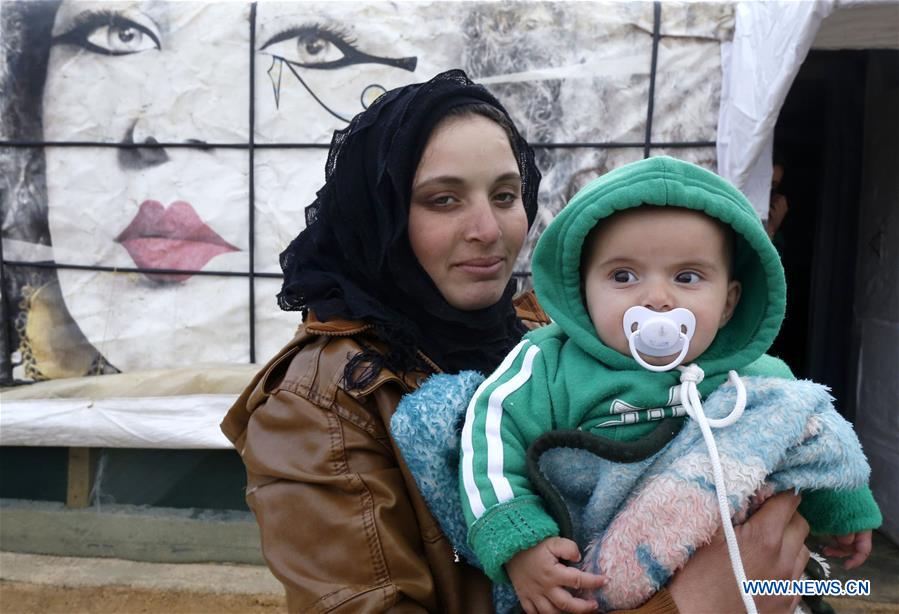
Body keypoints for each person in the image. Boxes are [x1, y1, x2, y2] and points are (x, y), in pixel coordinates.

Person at [222, 72, 815, 613]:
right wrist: (690, 605)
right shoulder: (319, 405)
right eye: (443, 199)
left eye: (505, 196)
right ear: (379, 216)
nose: (488, 231)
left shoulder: (550, 340)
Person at [457, 156, 881, 612]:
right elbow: (491, 436)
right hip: (602, 577)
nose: (657, 299)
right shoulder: (549, 363)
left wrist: (844, 508)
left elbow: (814, 438)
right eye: (623, 276)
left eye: (687, 277)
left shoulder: (757, 377)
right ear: (583, 289)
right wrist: (518, 540)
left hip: (745, 573)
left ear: (728, 303)